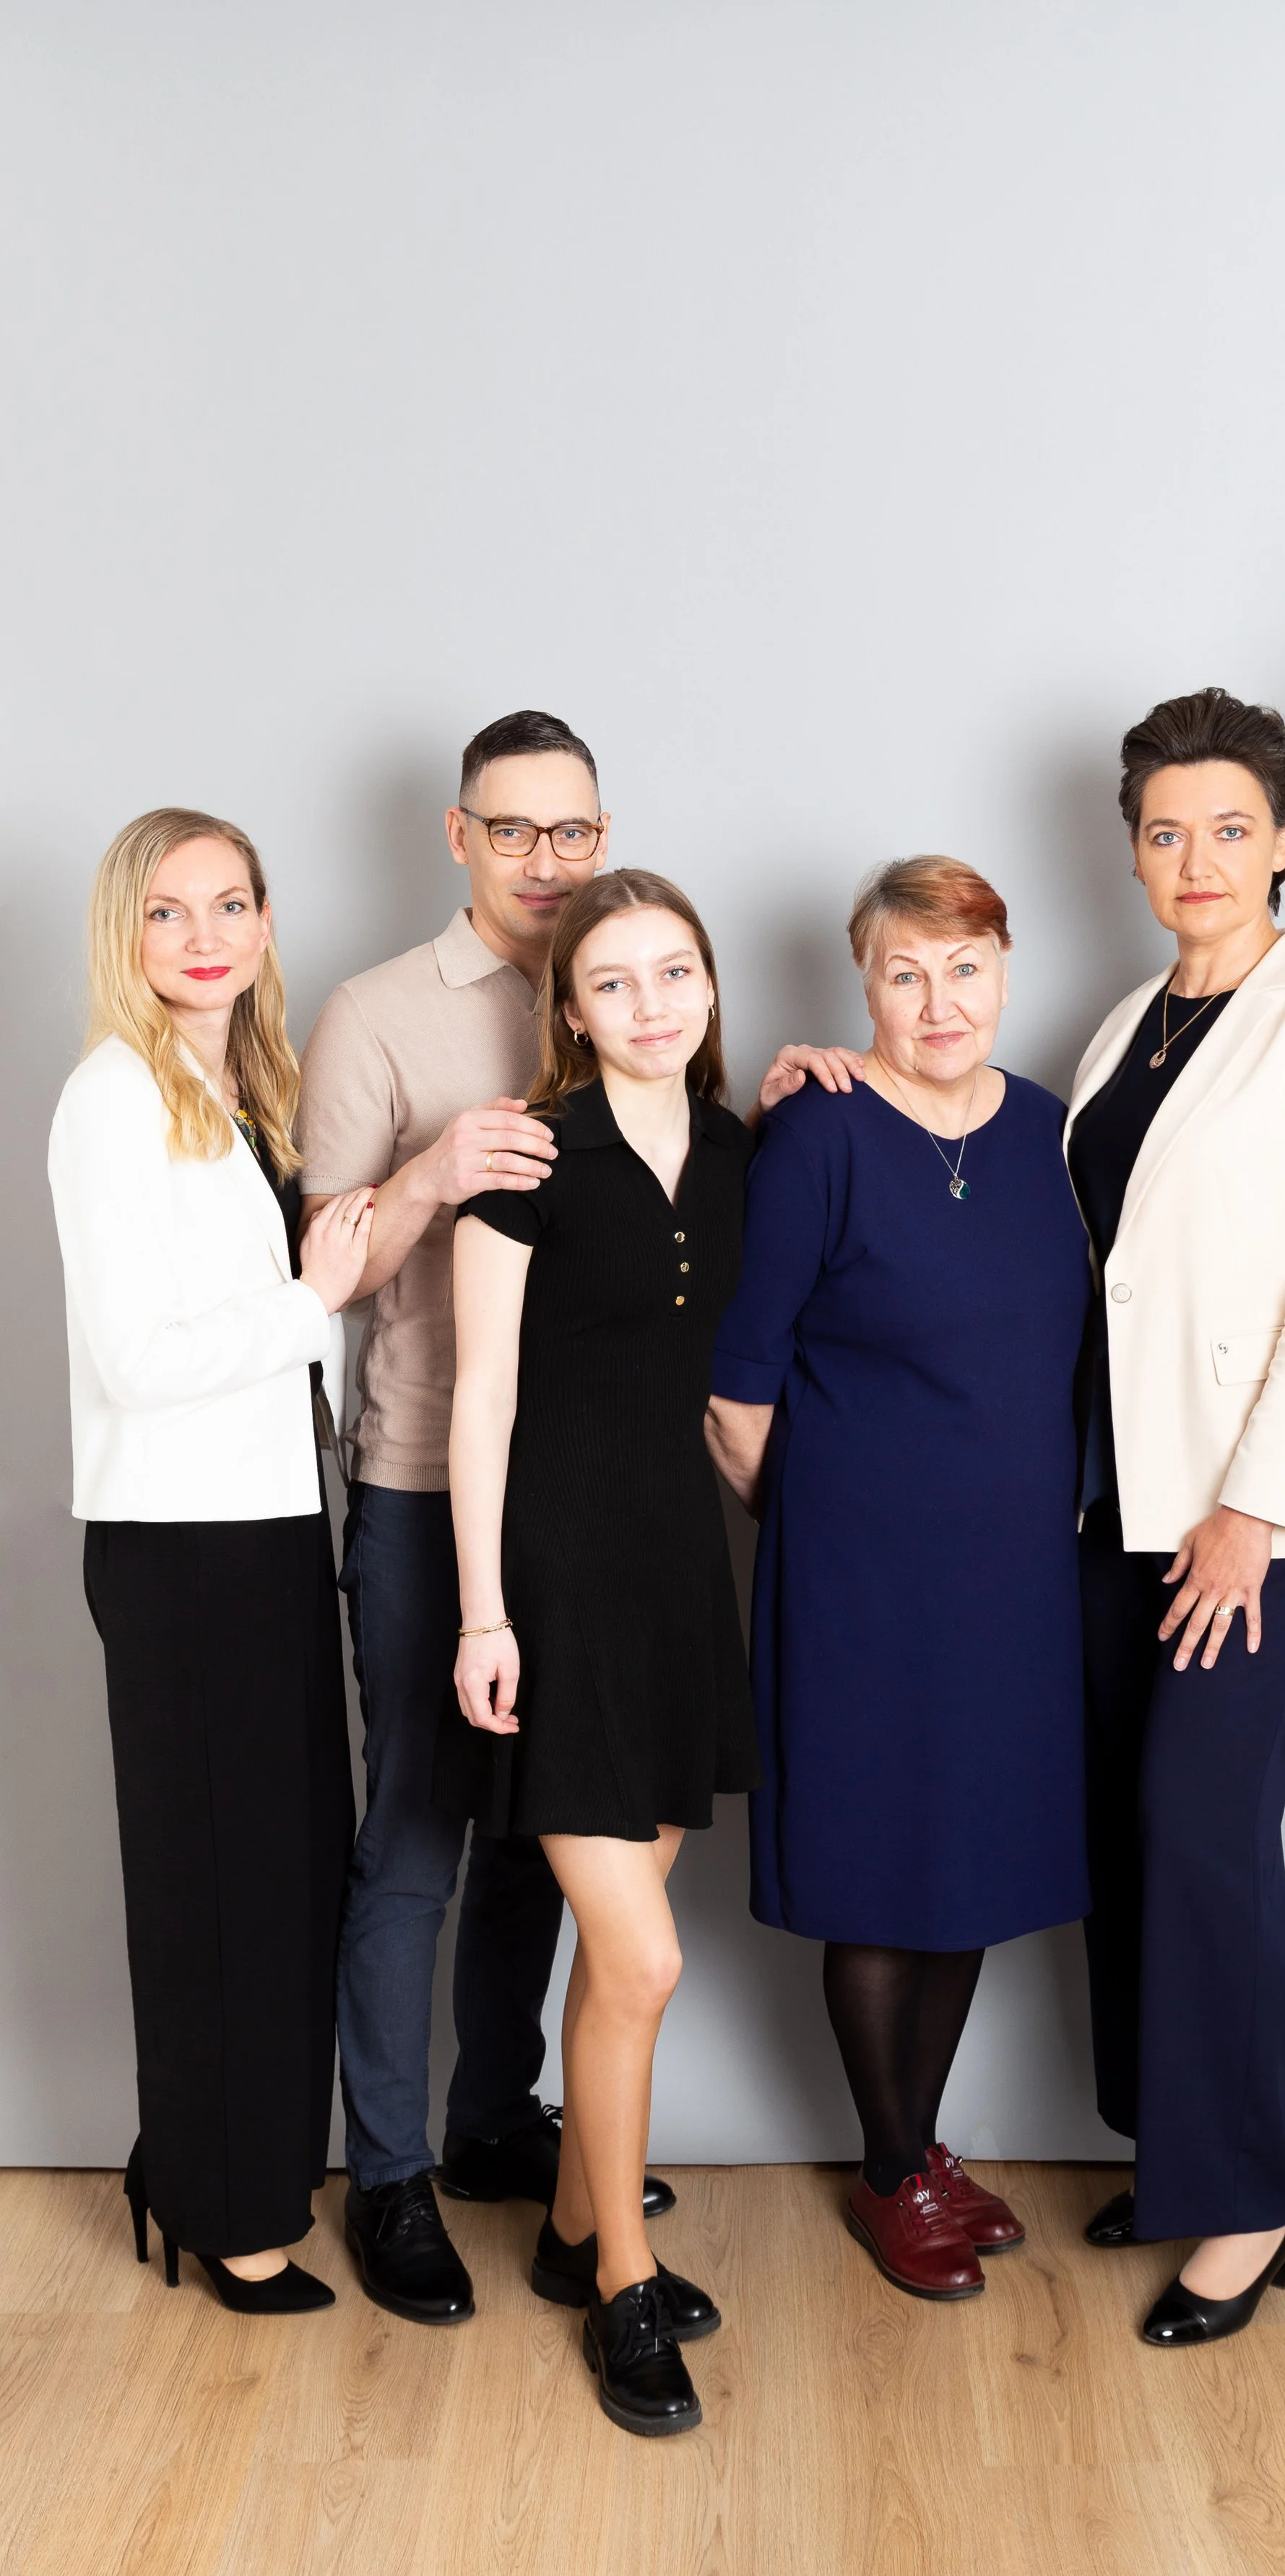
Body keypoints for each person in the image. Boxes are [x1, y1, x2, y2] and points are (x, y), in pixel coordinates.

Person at [295, 708, 687, 2324]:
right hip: (419, 1481)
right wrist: (431, 1175)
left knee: (545, 1842)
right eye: (512, 830)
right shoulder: (376, 1013)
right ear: (458, 836)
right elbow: (322, 1271)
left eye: (571, 830)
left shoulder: (624, 985)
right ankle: (389, 2174)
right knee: (415, 1837)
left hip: (582, 1513)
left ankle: (491, 2119)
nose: (544, 860)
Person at [1067, 690, 1285, 2346]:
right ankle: (1178, 2150)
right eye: (1164, 831)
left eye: (1227, 827)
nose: (1194, 858)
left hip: (1247, 1514)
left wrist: (1247, 1513)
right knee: (1124, 1828)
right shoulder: (1122, 1025)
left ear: (1283, 837)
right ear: (1131, 850)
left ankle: (1245, 2201)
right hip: (1110, 1496)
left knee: (1201, 1827)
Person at [706, 856, 1093, 2302]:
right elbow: (736, 1388)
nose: (939, 1002)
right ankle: (888, 2172)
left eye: (965, 970)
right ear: (863, 982)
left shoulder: (1046, 1131)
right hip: (858, 1582)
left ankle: (916, 2152)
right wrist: (829, 1521)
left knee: (966, 1866)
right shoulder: (816, 1133)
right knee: (877, 1875)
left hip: (1012, 1583)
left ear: (1004, 973)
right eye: (906, 973)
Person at [48, 808, 374, 2312]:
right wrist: (315, 1298)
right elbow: (135, 1359)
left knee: (288, 1868)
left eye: (230, 904)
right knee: (220, 1886)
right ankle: (224, 2208)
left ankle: (211, 2166)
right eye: (167, 911)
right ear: (126, 933)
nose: (203, 936)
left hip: (265, 1525)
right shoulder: (113, 1097)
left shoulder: (239, 1085)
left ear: (263, 923)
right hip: (182, 1545)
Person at [450, 871, 755, 2437]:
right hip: (556, 1583)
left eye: (675, 972)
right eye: (615, 982)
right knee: (642, 1958)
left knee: (611, 1960)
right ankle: (624, 2281)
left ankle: (574, 2230)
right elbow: (481, 1400)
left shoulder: (742, 1151)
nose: (651, 1005)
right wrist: (482, 1613)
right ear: (568, 1008)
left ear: (709, 984)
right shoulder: (529, 1152)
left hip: (678, 1582)